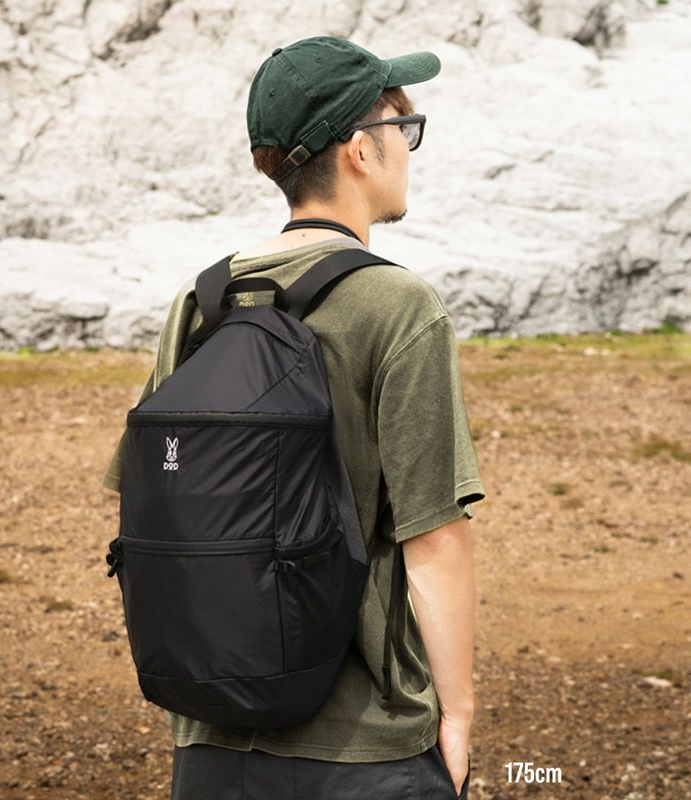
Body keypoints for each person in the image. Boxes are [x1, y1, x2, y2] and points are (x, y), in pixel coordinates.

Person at [102, 35, 486, 800]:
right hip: (363, 749)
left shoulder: (201, 300)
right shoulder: (398, 304)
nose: (408, 148)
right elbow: (435, 538)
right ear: (360, 149)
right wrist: (460, 714)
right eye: (402, 127)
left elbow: (150, 496)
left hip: (209, 741)